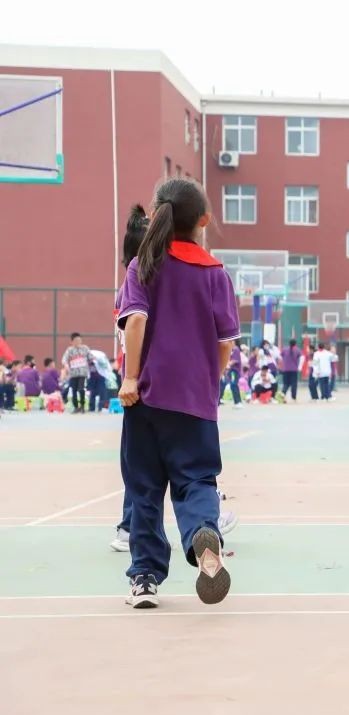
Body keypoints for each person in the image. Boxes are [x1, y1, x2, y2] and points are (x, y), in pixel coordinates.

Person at [115, 177, 237, 609]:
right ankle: (204, 538)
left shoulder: (143, 264)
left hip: (146, 398)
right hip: (195, 403)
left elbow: (135, 321)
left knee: (145, 489)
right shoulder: (215, 273)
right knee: (197, 481)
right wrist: (211, 382)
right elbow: (225, 343)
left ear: (157, 212)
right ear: (203, 219)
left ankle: (145, 578)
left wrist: (131, 378)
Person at [61, 332, 92, 413]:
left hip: (82, 373)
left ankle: (82, 406)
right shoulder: (69, 350)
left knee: (81, 389)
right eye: (76, 340)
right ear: (72, 342)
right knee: (73, 390)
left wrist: (92, 360)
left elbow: (91, 357)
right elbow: (64, 359)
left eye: (79, 340)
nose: (78, 342)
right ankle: (76, 407)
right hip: (73, 374)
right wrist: (66, 365)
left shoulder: (85, 348)